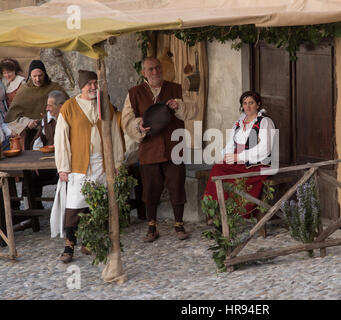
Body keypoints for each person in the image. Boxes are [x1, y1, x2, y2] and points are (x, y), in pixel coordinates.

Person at [121, 57, 197, 242]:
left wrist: (178, 105)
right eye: (150, 69)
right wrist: (139, 126)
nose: (155, 72)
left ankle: (179, 224)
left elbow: (193, 110)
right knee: (150, 189)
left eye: (157, 68)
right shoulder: (134, 93)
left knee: (176, 185)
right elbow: (126, 120)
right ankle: (151, 226)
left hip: (174, 146)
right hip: (149, 148)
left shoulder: (176, 88)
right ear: (144, 73)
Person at [52, 70, 124, 263]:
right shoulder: (69, 107)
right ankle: (69, 245)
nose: (93, 87)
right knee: (74, 206)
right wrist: (63, 166)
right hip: (79, 164)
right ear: (81, 86)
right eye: (89, 84)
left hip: (101, 163)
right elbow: (61, 139)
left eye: (95, 83)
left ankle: (90, 242)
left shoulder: (105, 105)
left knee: (97, 204)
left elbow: (115, 134)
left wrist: (116, 162)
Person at [202, 91, 276, 219]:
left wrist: (239, 157)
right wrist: (227, 155)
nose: (247, 106)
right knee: (219, 166)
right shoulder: (240, 122)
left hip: (257, 163)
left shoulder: (265, 122)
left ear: (258, 105)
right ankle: (218, 210)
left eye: (251, 103)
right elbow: (232, 143)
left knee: (219, 170)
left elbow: (265, 149)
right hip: (240, 160)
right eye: (245, 103)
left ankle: (224, 211)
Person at [5, 59, 66, 150]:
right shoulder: (24, 90)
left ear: (45, 74)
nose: (37, 79)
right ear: (30, 76)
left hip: (53, 132)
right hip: (30, 135)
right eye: (34, 76)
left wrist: (50, 118)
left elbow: (67, 109)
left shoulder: (55, 88)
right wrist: (27, 122)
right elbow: (11, 117)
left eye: (40, 75)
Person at [25, 90, 69, 210]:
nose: (47, 108)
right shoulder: (47, 119)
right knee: (31, 177)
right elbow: (39, 139)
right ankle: (35, 213)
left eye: (50, 105)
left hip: (66, 164)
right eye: (47, 105)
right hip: (49, 162)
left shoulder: (69, 119)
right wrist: (35, 161)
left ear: (60, 107)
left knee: (65, 182)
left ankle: (64, 209)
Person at [0, 58, 25, 150]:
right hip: (7, 116)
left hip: (20, 115)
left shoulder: (21, 82)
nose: (7, 75)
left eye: (9, 72)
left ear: (14, 70)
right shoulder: (4, 82)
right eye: (4, 73)